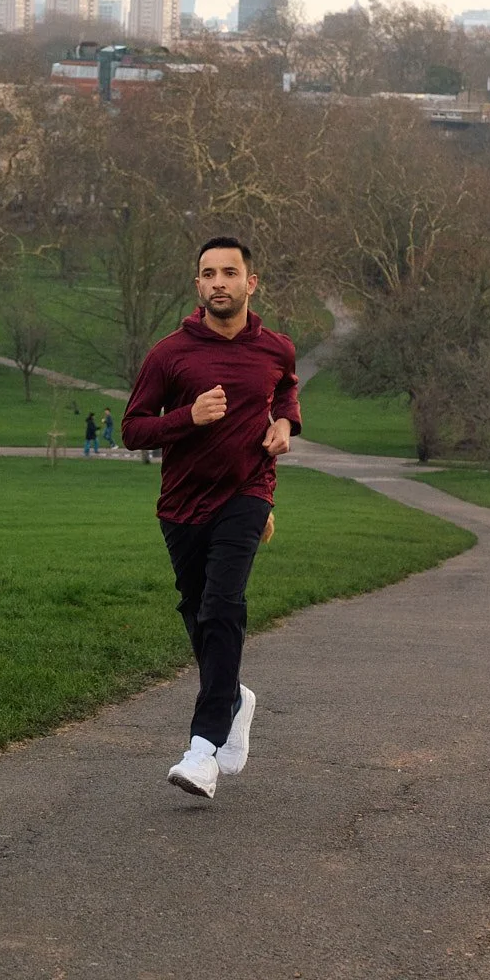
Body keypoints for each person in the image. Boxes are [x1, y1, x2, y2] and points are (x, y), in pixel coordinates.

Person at [121, 236, 301, 800]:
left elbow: (287, 392)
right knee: (198, 611)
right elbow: (133, 429)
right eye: (208, 273)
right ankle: (233, 698)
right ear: (198, 286)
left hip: (248, 492)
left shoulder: (276, 348)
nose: (218, 281)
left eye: (230, 272)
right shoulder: (169, 353)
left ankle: (203, 750)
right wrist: (186, 418)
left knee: (224, 604)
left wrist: (285, 427)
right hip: (182, 503)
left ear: (251, 283)